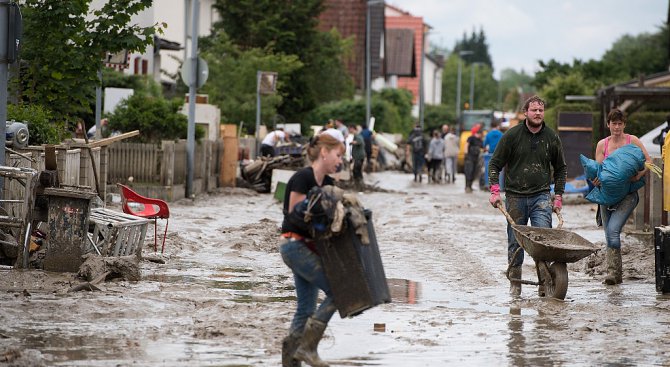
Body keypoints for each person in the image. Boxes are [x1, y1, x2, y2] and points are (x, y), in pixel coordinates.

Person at [488, 95, 567, 296]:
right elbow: (494, 164)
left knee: (543, 241)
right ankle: (515, 285)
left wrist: (558, 196)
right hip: (515, 196)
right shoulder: (512, 136)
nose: (538, 114)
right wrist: (495, 191)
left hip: (541, 196)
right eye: (534, 110)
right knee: (516, 243)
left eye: (541, 110)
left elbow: (560, 169)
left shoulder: (551, 137)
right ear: (526, 113)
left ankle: (545, 284)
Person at [279, 129, 345, 367]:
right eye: (338, 155)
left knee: (306, 307)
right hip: (293, 245)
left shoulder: (327, 182)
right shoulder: (302, 178)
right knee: (338, 292)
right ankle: (308, 347)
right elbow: (293, 216)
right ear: (324, 153)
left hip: (308, 248)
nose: (340, 161)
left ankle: (290, 360)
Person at [593, 108, 651, 285]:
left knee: (613, 230)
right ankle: (614, 275)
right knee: (609, 234)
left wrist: (639, 175)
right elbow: (597, 169)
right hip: (606, 196)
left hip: (627, 195)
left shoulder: (632, 141)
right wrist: (595, 179)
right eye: (613, 123)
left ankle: (613, 273)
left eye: (620, 124)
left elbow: (648, 161)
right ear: (608, 124)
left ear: (624, 125)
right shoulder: (602, 145)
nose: (616, 127)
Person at [483, 120, 504, 189]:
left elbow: (484, 144)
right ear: (497, 126)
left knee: (488, 170)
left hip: (490, 154)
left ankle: (488, 185)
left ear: (491, 126)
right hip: (499, 154)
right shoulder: (501, 134)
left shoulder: (488, 134)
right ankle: (500, 186)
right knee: (500, 171)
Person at [464, 124, 483, 193]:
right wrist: (466, 154)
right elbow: (466, 145)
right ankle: (467, 187)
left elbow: (482, 148)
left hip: (476, 159)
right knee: (469, 171)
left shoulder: (480, 140)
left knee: (474, 172)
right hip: (469, 158)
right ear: (479, 133)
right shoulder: (471, 138)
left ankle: (470, 186)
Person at [348, 124, 366, 190]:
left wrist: (352, 142)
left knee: (356, 170)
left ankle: (359, 185)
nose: (349, 130)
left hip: (359, 156)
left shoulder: (357, 135)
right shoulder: (356, 135)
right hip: (357, 156)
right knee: (357, 170)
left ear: (352, 129)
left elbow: (359, 141)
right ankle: (359, 185)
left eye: (349, 129)